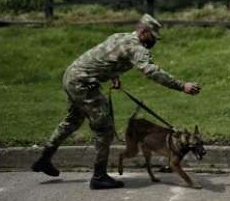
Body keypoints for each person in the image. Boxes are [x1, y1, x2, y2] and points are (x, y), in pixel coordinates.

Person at [31, 14, 201, 190]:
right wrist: (182, 86)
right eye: (152, 36)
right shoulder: (137, 48)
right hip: (83, 83)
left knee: (72, 121)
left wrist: (113, 75)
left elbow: (106, 56)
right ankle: (99, 177)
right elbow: (151, 71)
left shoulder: (120, 36)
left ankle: (44, 159)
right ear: (143, 31)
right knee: (104, 129)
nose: (154, 41)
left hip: (72, 76)